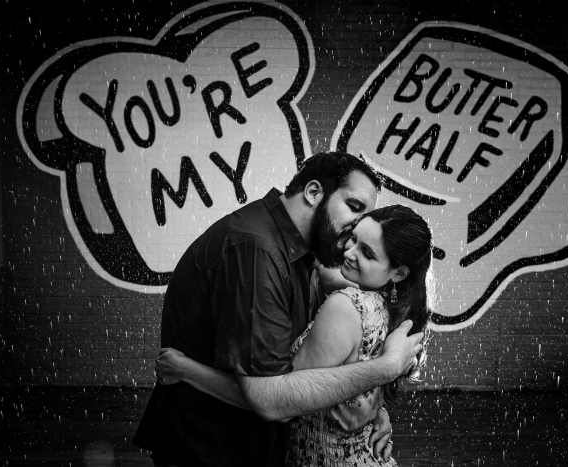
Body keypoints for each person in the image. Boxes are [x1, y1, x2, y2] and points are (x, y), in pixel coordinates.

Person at [132, 152, 425, 467]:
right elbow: (272, 401)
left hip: (254, 445)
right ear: (313, 193)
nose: (359, 226)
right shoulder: (257, 252)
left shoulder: (309, 251)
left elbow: (348, 354)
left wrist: (368, 413)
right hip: (212, 447)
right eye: (354, 207)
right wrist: (388, 367)